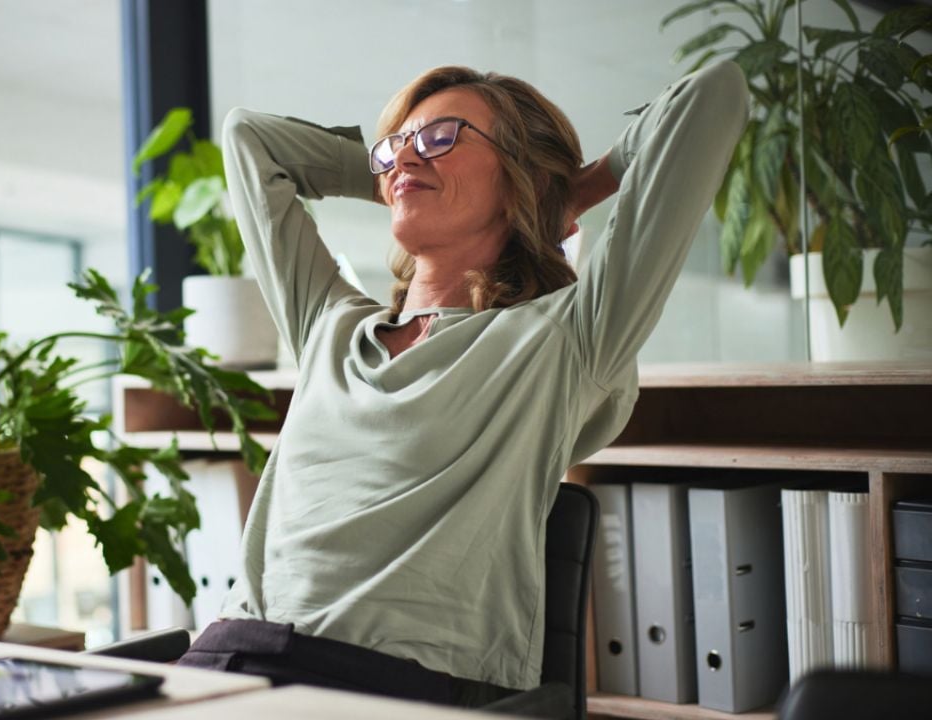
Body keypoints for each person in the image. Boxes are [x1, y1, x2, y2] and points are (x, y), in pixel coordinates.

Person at [175, 60, 749, 708]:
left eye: (442, 137)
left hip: (384, 686)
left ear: (519, 178)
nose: (407, 157)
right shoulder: (328, 326)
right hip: (225, 658)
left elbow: (714, 95)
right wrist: (402, 177)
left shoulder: (560, 340)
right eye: (398, 145)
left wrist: (569, 191)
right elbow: (249, 138)